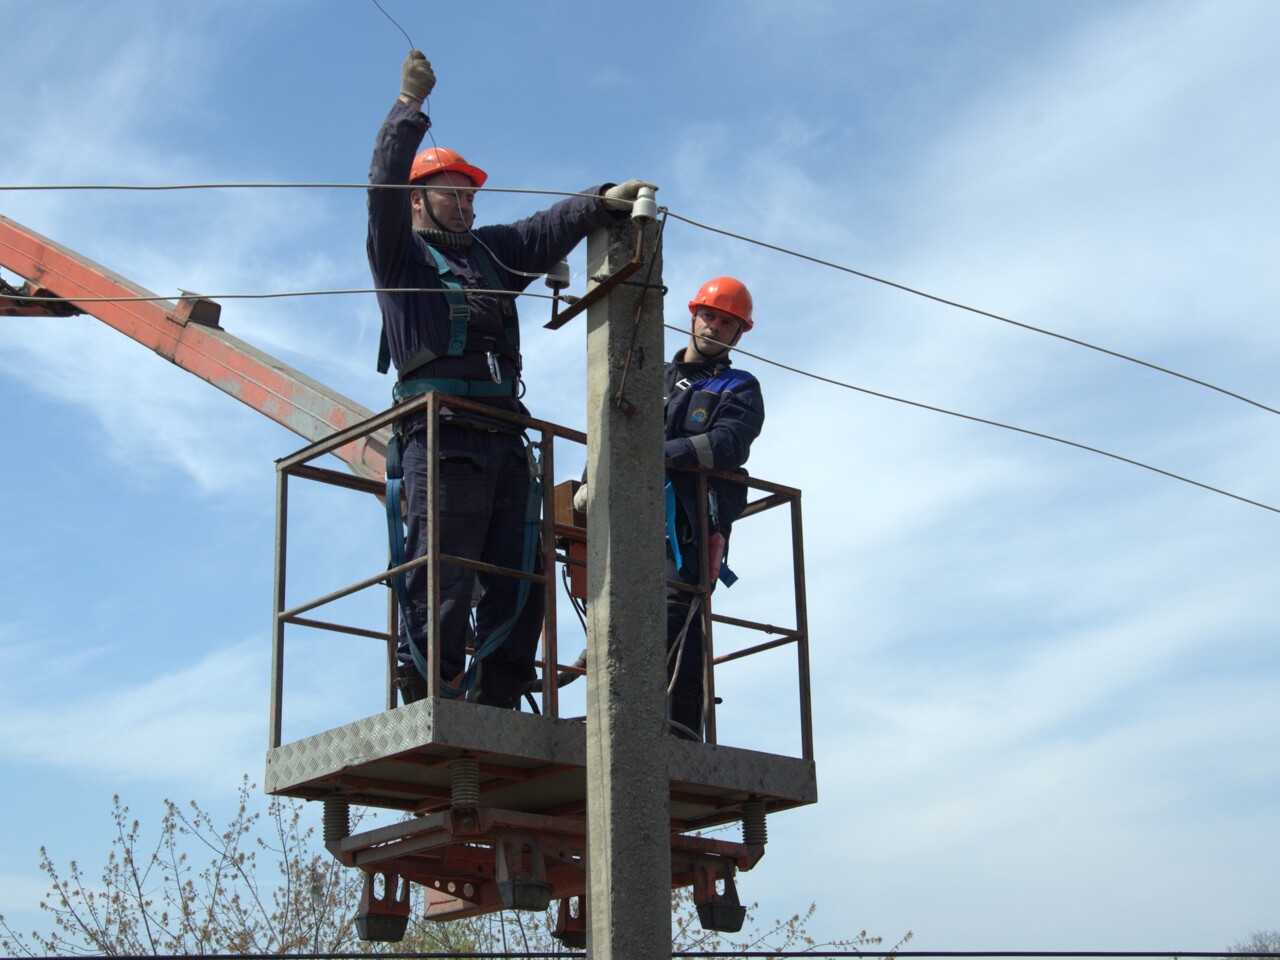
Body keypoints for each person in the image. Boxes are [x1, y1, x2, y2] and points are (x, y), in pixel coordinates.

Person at [367, 49, 653, 709]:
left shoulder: (493, 252)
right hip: (442, 441)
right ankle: (429, 686)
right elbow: (380, 187)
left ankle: (498, 690)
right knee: (445, 571)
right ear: (419, 201)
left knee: (521, 572)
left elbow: (543, 229)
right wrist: (408, 110)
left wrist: (599, 203)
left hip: (502, 439)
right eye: (453, 193)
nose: (466, 205)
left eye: (471, 195)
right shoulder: (400, 254)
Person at [661, 277, 765, 738]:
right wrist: (590, 481)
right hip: (629, 516)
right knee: (617, 616)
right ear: (693, 315)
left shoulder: (739, 386)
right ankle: (623, 726)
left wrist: (663, 455)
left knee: (674, 618)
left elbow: (727, 443)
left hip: (690, 524)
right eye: (710, 316)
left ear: (739, 333)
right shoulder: (651, 375)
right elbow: (612, 425)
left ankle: (679, 730)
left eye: (728, 323)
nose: (716, 327)